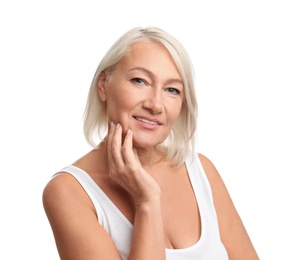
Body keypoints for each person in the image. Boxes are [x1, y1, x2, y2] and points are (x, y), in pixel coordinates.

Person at [42, 26, 259, 260]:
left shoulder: (200, 170)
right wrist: (146, 201)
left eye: (172, 90)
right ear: (104, 84)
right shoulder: (69, 192)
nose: (156, 105)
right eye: (140, 81)